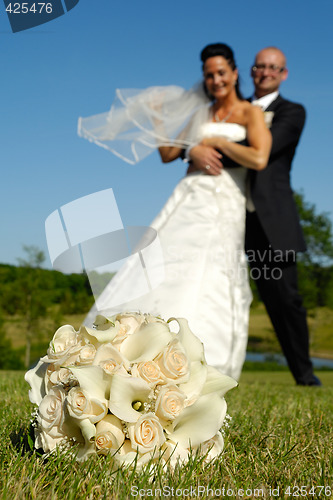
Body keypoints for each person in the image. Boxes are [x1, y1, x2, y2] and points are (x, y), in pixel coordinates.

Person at [79, 43, 271, 381]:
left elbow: (259, 158)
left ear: (235, 73)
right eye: (209, 75)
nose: (215, 80)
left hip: (225, 199)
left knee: (211, 270)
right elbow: (168, 153)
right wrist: (184, 142)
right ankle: (139, 349)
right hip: (189, 195)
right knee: (162, 261)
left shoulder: (249, 112)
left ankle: (205, 359)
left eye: (221, 73)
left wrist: (219, 144)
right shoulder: (201, 114)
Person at [188, 47, 320, 386]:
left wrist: (214, 139)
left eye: (273, 68)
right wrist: (195, 147)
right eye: (260, 66)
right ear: (250, 70)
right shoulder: (230, 107)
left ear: (283, 73)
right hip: (226, 217)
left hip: (270, 223)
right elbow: (191, 139)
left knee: (283, 301)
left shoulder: (292, 111)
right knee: (217, 292)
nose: (266, 72)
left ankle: (305, 377)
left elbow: (266, 148)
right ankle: (209, 370)